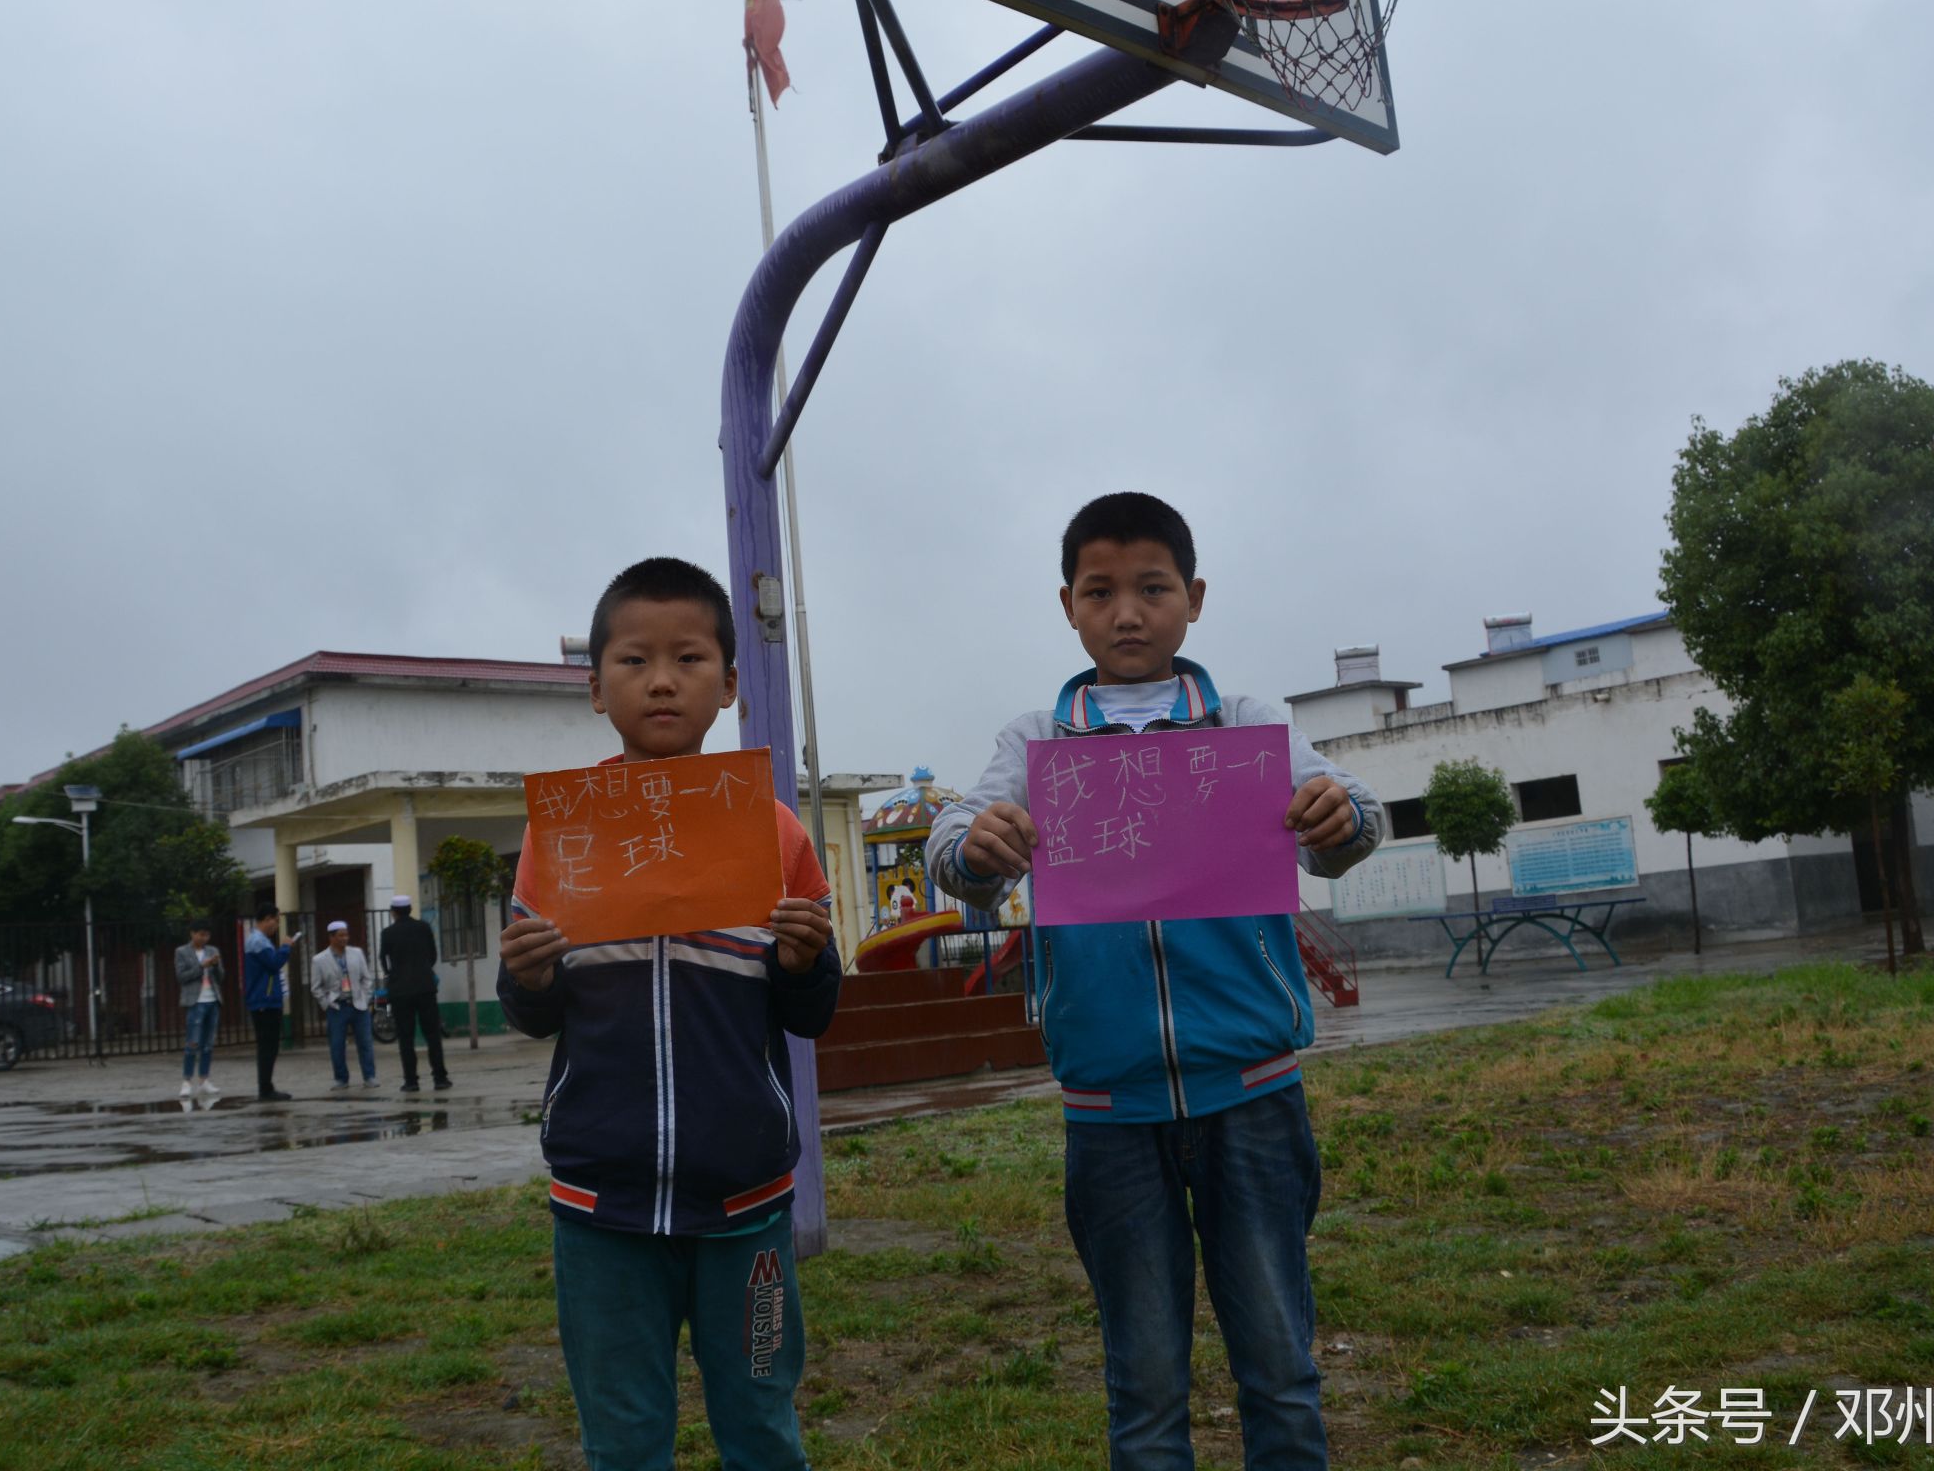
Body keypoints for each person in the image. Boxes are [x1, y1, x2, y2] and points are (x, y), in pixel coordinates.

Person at [927, 492, 1385, 1471]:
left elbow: (1353, 816)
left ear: (1194, 597)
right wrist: (975, 846)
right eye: (1100, 591)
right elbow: (951, 849)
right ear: (1068, 605)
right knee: (1141, 1387)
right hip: (1108, 1111)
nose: (1126, 612)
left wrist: (1339, 814)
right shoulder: (1032, 745)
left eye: (1151, 588)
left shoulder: (1247, 725)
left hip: (1255, 1099)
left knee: (1278, 1367)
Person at [498, 556, 840, 1471]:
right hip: (599, 1206)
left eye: (688, 659)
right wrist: (528, 978)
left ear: (728, 684)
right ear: (594, 688)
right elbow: (533, 1016)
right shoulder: (558, 834)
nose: (660, 680)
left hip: (746, 1204)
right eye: (632, 660)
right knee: (622, 1440)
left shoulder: (777, 834)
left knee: (763, 1427)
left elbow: (813, 1011)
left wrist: (804, 960)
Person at [379, 895, 451, 1092]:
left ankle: (411, 1081)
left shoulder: (387, 933)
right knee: (432, 1035)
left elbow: (383, 959)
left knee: (405, 1038)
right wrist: (424, 971)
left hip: (400, 991)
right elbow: (433, 955)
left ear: (393, 912)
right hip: (425, 988)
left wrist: (392, 975)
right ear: (410, 909)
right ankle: (440, 1078)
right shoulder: (424, 927)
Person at [241, 906, 299, 1102]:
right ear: (267, 919)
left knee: (269, 1046)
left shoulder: (258, 940)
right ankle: (265, 1089)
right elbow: (274, 963)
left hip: (265, 999)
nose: (276, 926)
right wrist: (285, 947)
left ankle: (266, 1087)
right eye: (276, 921)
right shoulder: (258, 941)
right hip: (263, 1000)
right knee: (267, 1046)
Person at [310, 920, 378, 1090]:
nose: (344, 939)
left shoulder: (356, 953)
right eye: (340, 936)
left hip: (358, 1005)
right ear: (331, 937)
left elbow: (367, 978)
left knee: (365, 1043)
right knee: (337, 1044)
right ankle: (341, 1079)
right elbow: (316, 987)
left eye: (346, 935)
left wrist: (365, 997)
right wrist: (326, 1003)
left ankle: (369, 1076)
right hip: (337, 1006)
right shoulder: (319, 960)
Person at [173, 922, 224, 1103]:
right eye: (200, 934)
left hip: (213, 999)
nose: (203, 938)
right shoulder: (182, 952)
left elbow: (221, 976)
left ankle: (204, 1079)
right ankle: (187, 1081)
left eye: (206, 935)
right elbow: (181, 977)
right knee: (192, 1042)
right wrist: (202, 966)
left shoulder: (213, 950)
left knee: (208, 1043)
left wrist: (215, 965)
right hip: (195, 1001)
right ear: (192, 934)